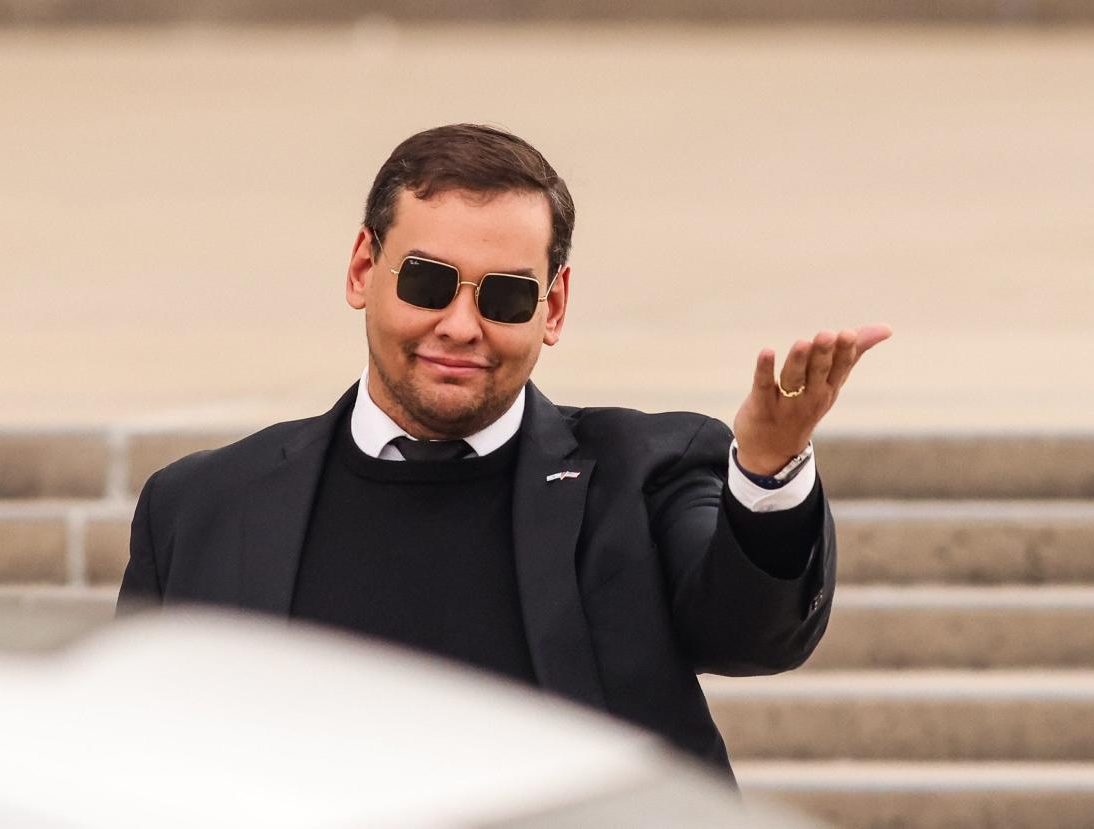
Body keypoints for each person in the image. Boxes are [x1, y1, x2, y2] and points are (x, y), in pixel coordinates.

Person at [117, 123, 891, 782]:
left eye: (505, 295)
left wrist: (768, 471)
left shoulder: (643, 472)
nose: (460, 324)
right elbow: (131, 764)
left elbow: (752, 632)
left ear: (552, 307)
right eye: (428, 282)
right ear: (362, 270)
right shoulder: (201, 507)